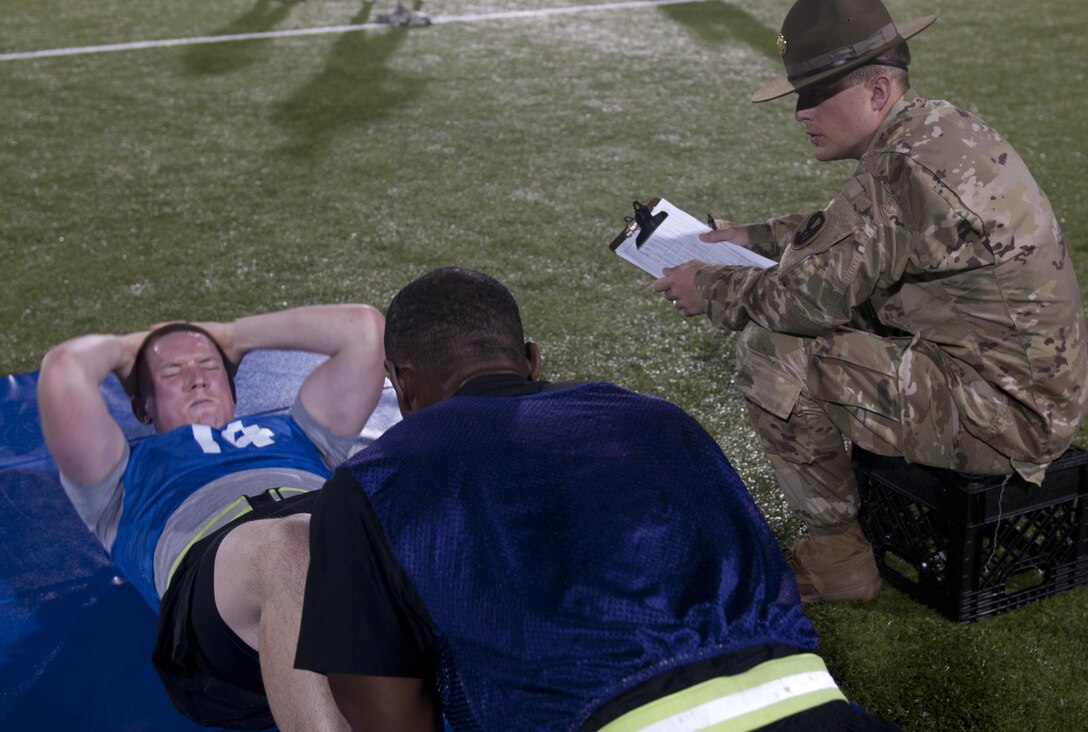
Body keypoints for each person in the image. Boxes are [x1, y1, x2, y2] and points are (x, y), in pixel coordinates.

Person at [294, 267, 899, 731]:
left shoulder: (372, 483)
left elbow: (387, 717)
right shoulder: (662, 420)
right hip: (815, 708)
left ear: (399, 383)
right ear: (532, 360)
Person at [651, 0, 1088, 604]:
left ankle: (837, 562)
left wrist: (709, 287)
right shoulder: (932, 131)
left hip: (1008, 418)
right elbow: (850, 236)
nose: (801, 113)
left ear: (878, 90)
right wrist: (749, 238)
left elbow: (802, 301)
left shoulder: (904, 167)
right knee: (842, 312)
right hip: (1027, 389)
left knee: (771, 352)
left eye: (815, 95)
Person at [37, 304, 387, 731]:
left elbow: (366, 331)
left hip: (334, 530)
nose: (197, 377)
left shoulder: (299, 433)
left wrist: (233, 336)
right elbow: (62, 369)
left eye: (208, 365)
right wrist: (128, 349)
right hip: (221, 573)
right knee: (288, 550)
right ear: (142, 407)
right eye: (171, 373)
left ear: (235, 389)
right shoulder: (121, 475)